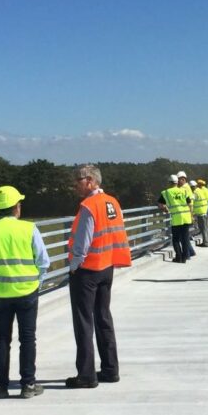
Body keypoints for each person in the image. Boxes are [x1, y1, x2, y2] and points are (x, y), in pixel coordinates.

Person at [0, 185, 51, 399]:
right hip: (27, 291)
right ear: (16, 207)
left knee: (1, 339)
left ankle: (0, 386)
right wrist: (37, 283)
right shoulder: (29, 228)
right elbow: (43, 261)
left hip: (1, 294)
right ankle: (28, 385)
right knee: (27, 339)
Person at [66, 165, 132, 388]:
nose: (75, 184)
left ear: (91, 181)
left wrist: (74, 267)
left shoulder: (88, 206)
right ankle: (110, 369)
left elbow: (82, 244)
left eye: (79, 180)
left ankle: (86, 375)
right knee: (103, 318)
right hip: (106, 267)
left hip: (87, 271)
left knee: (84, 322)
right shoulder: (112, 202)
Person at [158, 173, 192, 263]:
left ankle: (179, 257)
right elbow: (189, 204)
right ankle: (184, 258)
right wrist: (191, 215)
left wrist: (165, 209)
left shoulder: (166, 192)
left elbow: (160, 205)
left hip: (176, 218)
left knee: (176, 239)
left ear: (169, 183)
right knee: (185, 239)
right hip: (186, 217)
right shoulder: (184, 191)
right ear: (177, 182)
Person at [177, 171, 196, 258]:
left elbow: (189, 204)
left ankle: (187, 254)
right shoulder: (187, 187)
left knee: (182, 236)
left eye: (179, 180)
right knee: (185, 235)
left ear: (183, 179)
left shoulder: (184, 189)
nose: (177, 182)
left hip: (185, 215)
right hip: (187, 215)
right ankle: (191, 251)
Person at [192, 179, 208, 247]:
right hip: (206, 212)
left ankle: (206, 242)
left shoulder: (195, 192)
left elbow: (192, 202)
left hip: (201, 213)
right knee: (206, 228)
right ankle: (207, 241)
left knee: (203, 228)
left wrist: (192, 212)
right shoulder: (204, 190)